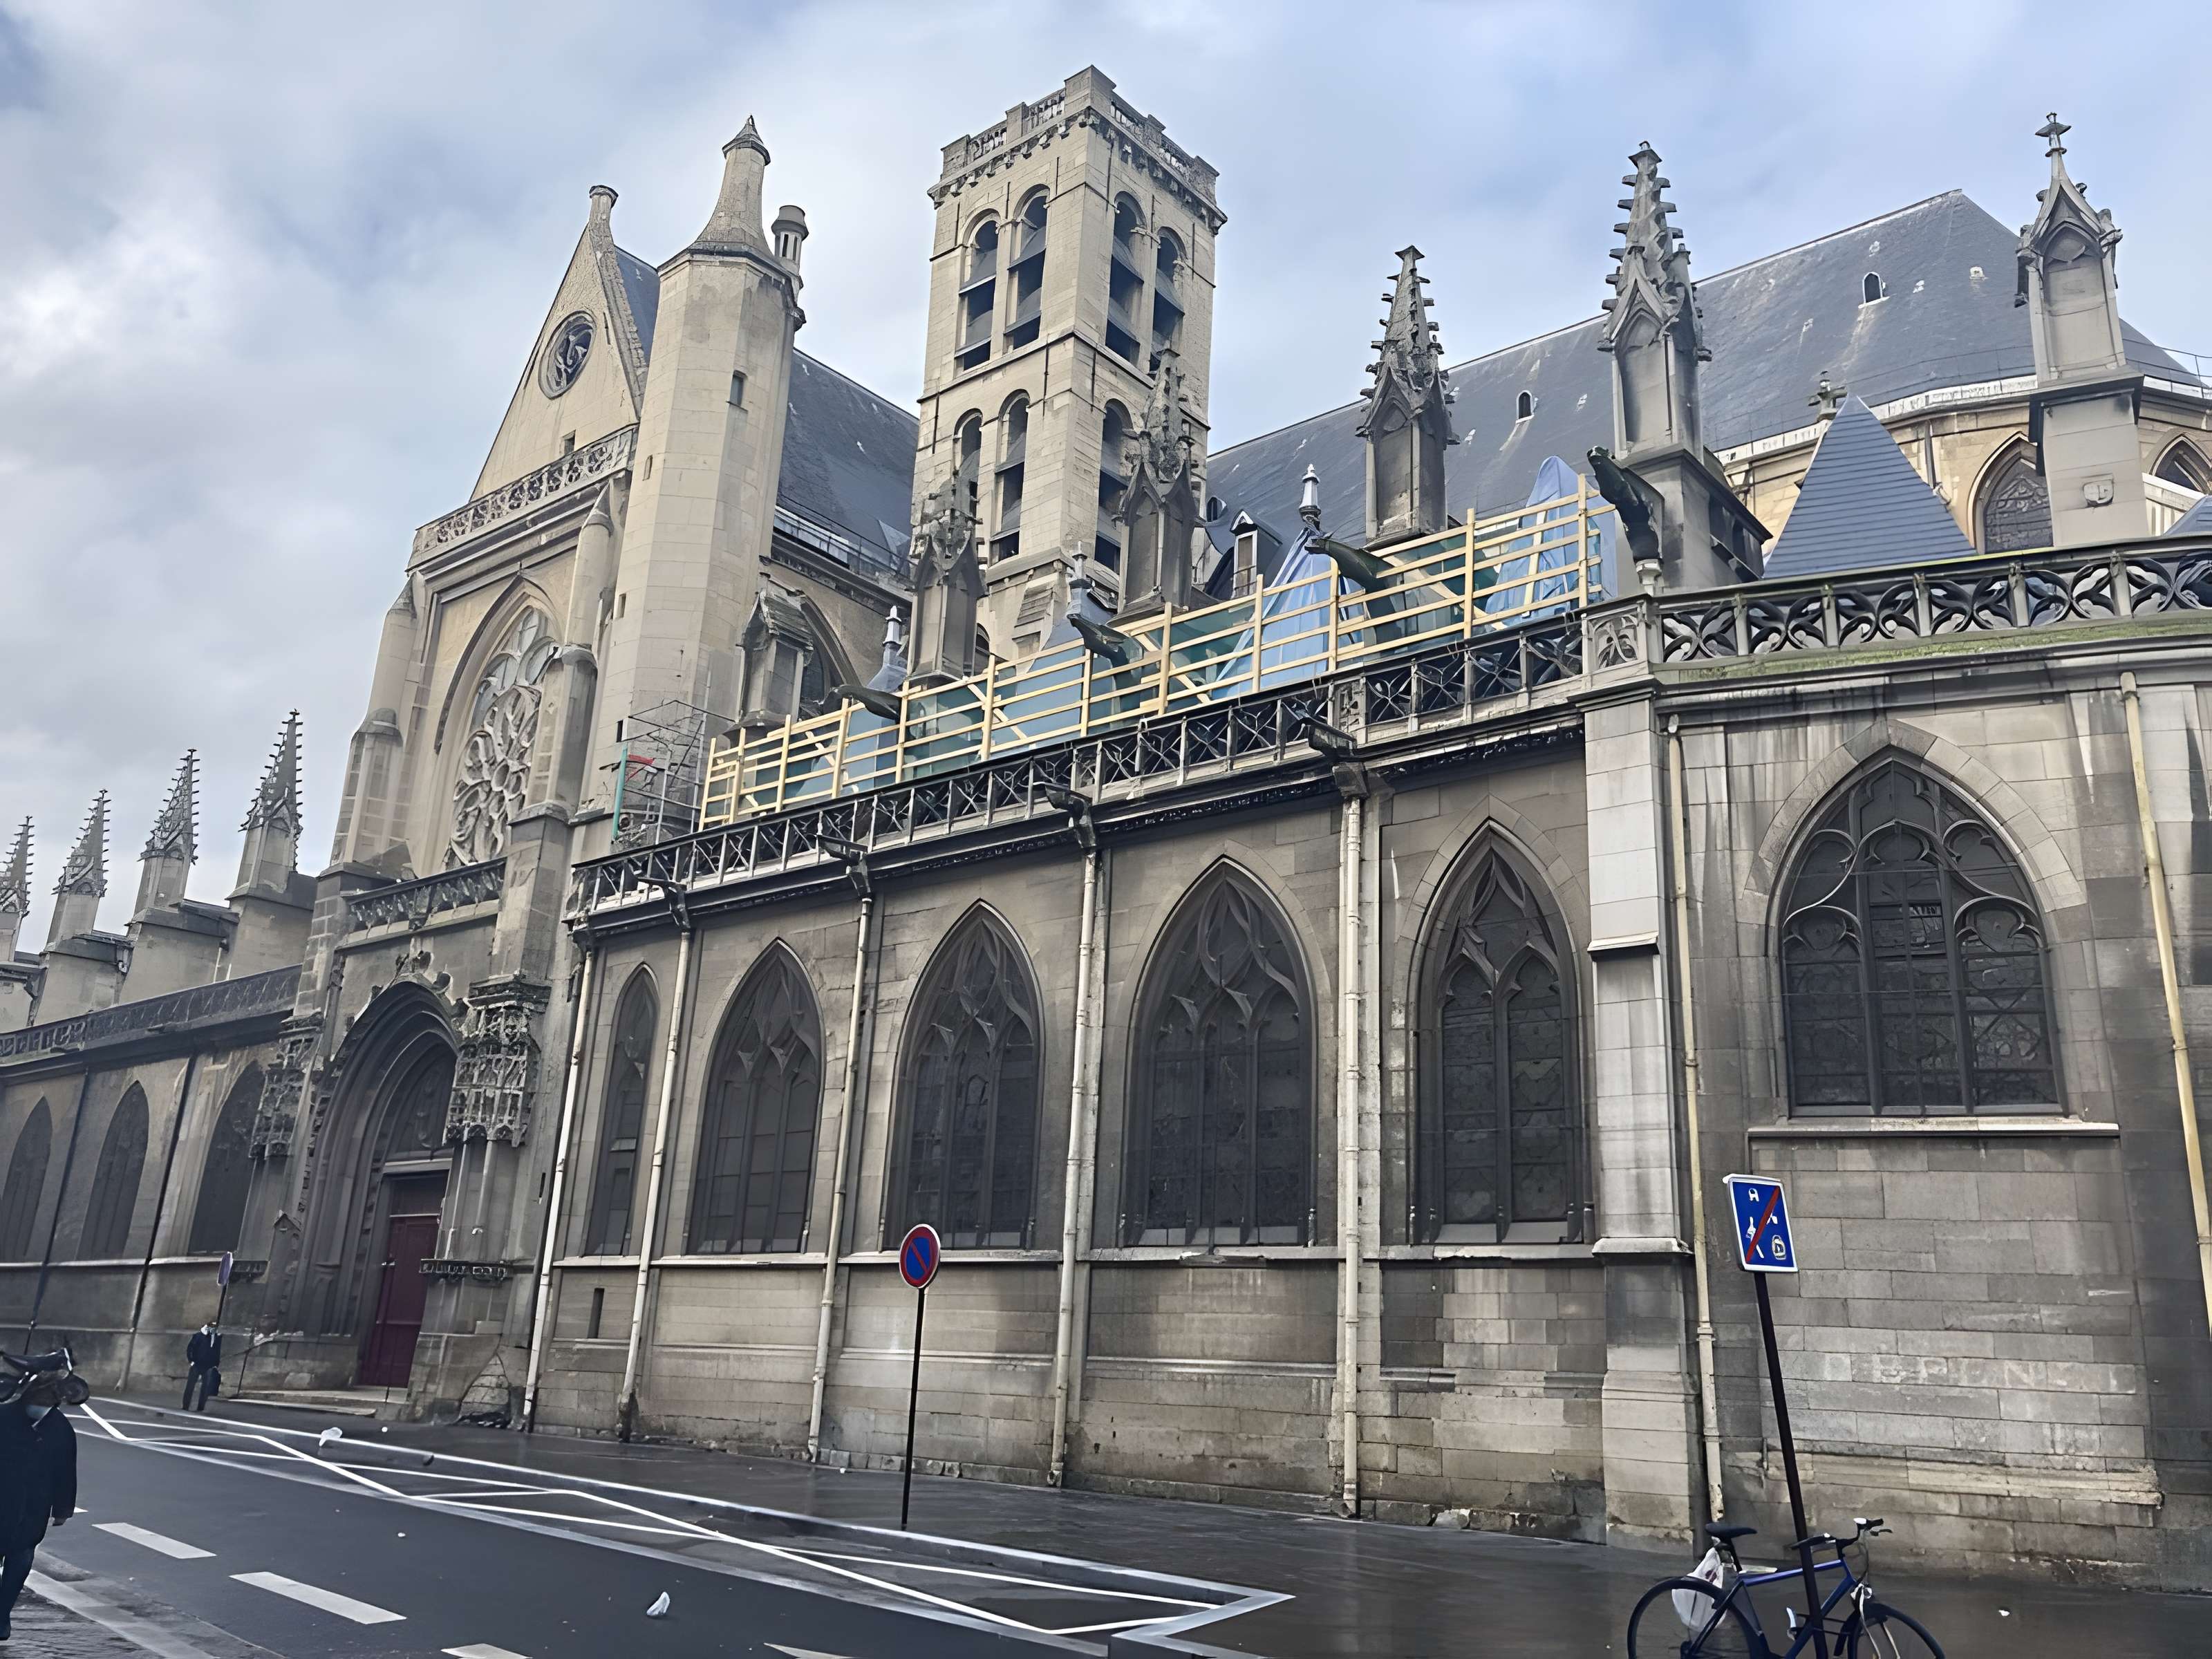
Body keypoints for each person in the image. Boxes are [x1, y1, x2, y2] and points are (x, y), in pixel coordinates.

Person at [0, 1374, 77, 1640]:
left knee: (20, 1560)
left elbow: (66, 1469)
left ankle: (2, 1616)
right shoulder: (5, 1416)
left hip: (34, 1504)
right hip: (3, 1498)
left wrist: (63, 1508)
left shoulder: (59, 1427)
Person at [183, 1323, 222, 1412]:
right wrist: (192, 1361)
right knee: (190, 1386)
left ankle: (201, 1407)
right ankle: (186, 1405)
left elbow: (217, 1351)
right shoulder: (199, 1336)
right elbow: (190, 1348)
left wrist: (216, 1364)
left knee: (206, 1388)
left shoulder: (216, 1337)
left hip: (209, 1365)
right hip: (197, 1363)